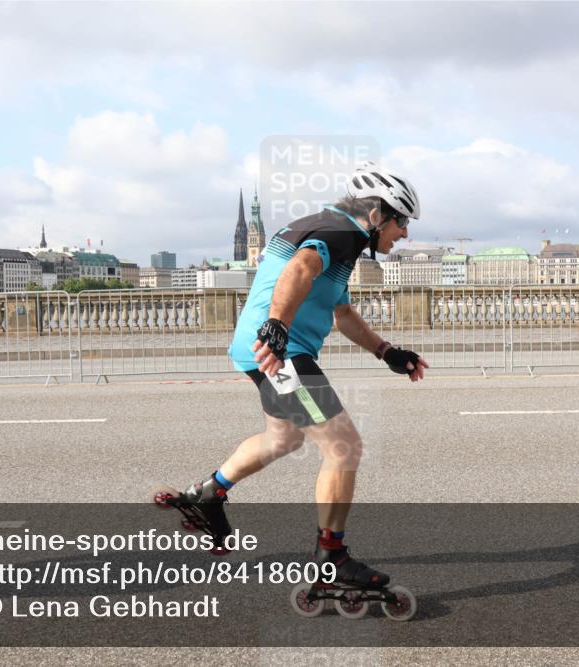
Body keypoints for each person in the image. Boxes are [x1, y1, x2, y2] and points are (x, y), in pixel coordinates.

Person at [176, 163, 429, 588]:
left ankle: (210, 493)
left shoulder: (334, 231)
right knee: (343, 446)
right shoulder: (340, 234)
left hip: (266, 349)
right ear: (375, 215)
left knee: (284, 438)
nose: (403, 232)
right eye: (400, 221)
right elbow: (299, 270)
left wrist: (386, 351)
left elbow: (342, 313)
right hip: (282, 353)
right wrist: (276, 328)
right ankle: (331, 558)